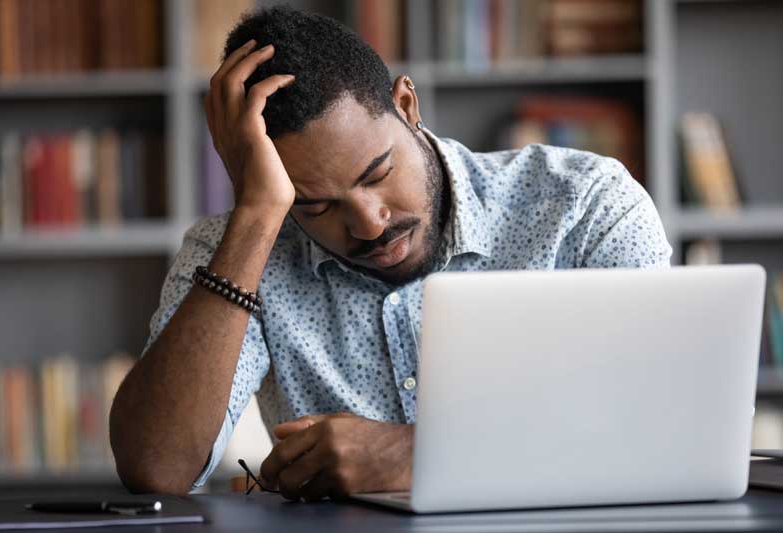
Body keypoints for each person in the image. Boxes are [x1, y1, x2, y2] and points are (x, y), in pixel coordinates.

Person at [109, 5, 672, 500]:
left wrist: (419, 454)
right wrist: (257, 214)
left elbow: (666, 425)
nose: (369, 222)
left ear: (406, 104)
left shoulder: (584, 203)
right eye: (316, 206)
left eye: (377, 173)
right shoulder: (237, 247)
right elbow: (158, 469)